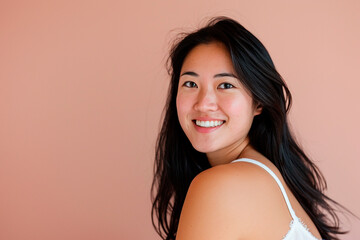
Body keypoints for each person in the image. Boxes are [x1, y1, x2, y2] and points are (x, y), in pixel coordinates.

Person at [151, 17, 347, 240]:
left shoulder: (221, 186)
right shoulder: (264, 173)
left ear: (258, 102)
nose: (203, 103)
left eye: (225, 85)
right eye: (190, 84)